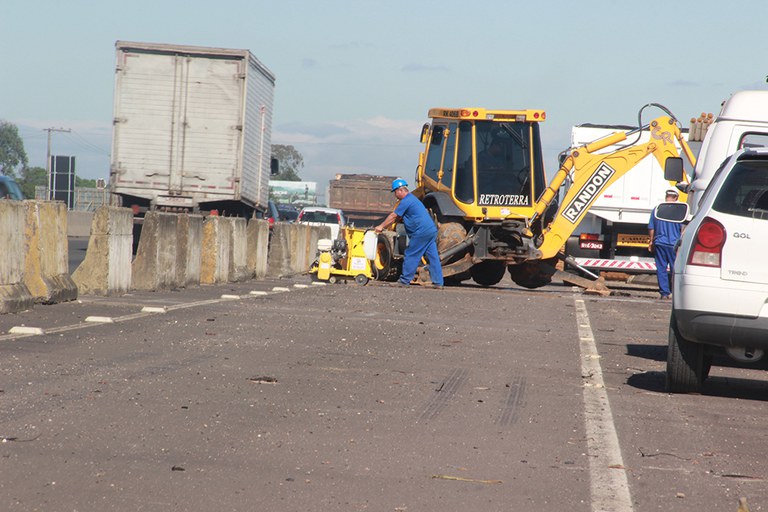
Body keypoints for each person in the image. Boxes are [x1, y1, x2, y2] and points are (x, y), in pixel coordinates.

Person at [374, 178, 444, 288]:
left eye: (395, 192)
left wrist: (381, 226)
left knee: (411, 254)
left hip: (421, 232)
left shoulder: (406, 201)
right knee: (433, 256)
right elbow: (400, 217)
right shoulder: (413, 199)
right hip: (430, 231)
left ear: (400, 190)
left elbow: (393, 216)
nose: (395, 195)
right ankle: (438, 282)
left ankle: (404, 280)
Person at [648, 188, 682, 299]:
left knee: (661, 268)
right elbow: (683, 228)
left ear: (666, 196)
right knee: (675, 269)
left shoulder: (657, 209)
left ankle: (664, 293)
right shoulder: (680, 211)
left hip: (660, 243)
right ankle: (674, 292)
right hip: (674, 244)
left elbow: (651, 227)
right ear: (676, 197)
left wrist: (651, 241)